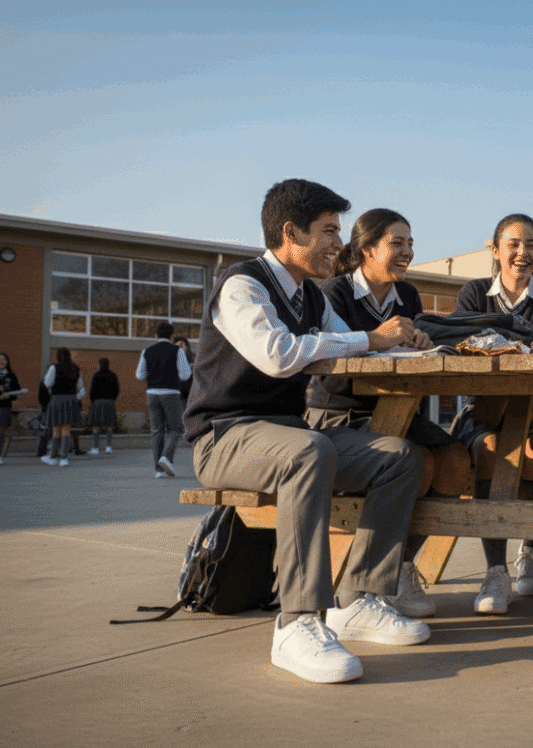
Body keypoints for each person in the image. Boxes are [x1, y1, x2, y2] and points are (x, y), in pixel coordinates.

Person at [183, 178, 430, 685]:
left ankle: (360, 598)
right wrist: (370, 337)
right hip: (224, 436)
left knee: (401, 456)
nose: (339, 244)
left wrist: (414, 344)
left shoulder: (312, 298)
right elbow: (277, 356)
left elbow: (355, 344)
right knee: (310, 451)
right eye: (329, 231)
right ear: (291, 232)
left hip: (288, 433)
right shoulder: (242, 284)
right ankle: (297, 623)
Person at [305, 208, 472, 618]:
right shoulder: (334, 293)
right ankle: (373, 583)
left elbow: (403, 349)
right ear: (367, 249)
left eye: (411, 243)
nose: (407, 252)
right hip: (340, 412)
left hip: (396, 408)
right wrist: (381, 340)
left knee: (454, 462)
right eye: (397, 243)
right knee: (420, 463)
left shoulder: (408, 296)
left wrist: (419, 342)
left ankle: (400, 566)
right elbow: (330, 370)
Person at [450, 213, 533, 614]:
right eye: (514, 244)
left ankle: (531, 547)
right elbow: (464, 341)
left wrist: (499, 339)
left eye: (531, 244)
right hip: (483, 406)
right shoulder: (473, 292)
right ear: (496, 249)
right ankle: (495, 571)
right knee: (489, 451)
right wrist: (520, 341)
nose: (523, 253)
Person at [136, 322, 192, 478]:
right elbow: (186, 374)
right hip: (171, 393)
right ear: (172, 336)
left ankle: (158, 470)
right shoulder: (177, 350)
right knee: (176, 428)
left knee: (156, 431)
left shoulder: (147, 351)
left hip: (152, 393)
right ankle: (166, 457)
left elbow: (139, 375)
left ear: (156, 336)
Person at [42, 347, 86, 467]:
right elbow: (81, 388)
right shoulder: (75, 368)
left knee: (56, 430)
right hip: (71, 400)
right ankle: (64, 459)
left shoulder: (54, 367)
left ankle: (52, 458)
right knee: (66, 430)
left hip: (57, 400)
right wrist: (75, 398)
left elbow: (48, 383)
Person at [88, 358, 120, 455]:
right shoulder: (113, 375)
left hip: (97, 401)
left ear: (99, 364)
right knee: (109, 425)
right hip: (109, 401)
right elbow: (117, 389)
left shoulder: (96, 375)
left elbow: (92, 390)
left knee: (96, 425)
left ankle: (95, 448)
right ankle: (108, 447)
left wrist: (94, 400)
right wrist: (112, 398)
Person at [173, 336, 195, 410]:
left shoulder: (192, 359)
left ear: (187, 346)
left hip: (190, 393)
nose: (181, 348)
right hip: (176, 393)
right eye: (179, 345)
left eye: (183, 345)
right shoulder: (171, 358)